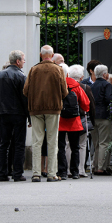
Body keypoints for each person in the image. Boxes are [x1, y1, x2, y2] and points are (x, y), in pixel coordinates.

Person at [23, 45, 68, 182]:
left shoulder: (33, 70)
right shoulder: (58, 70)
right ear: (52, 54)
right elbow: (64, 92)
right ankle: (51, 173)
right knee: (52, 140)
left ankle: (36, 173)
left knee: (37, 141)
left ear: (40, 55)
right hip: (53, 109)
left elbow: (25, 91)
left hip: (36, 109)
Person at [0, 50, 29, 182]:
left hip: (3, 113)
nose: (24, 62)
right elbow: (25, 98)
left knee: (3, 143)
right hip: (18, 114)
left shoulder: (0, 75)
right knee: (19, 144)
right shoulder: (21, 76)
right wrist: (29, 116)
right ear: (18, 61)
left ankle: (2, 173)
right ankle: (17, 172)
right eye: (23, 60)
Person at [57, 64, 90, 179]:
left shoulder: (57, 86)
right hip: (74, 121)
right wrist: (83, 109)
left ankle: (62, 172)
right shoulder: (76, 86)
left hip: (60, 120)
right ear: (67, 74)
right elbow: (86, 104)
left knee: (61, 147)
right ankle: (75, 172)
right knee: (75, 147)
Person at [67, 64, 96, 177]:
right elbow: (90, 106)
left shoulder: (64, 86)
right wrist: (92, 121)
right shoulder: (84, 87)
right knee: (82, 144)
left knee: (68, 144)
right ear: (81, 77)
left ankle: (69, 169)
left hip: (67, 119)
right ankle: (80, 170)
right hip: (81, 119)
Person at [92, 64, 112, 175]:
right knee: (104, 143)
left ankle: (95, 166)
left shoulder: (92, 86)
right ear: (105, 74)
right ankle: (102, 168)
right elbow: (108, 99)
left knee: (96, 143)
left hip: (93, 117)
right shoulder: (107, 85)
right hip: (104, 116)